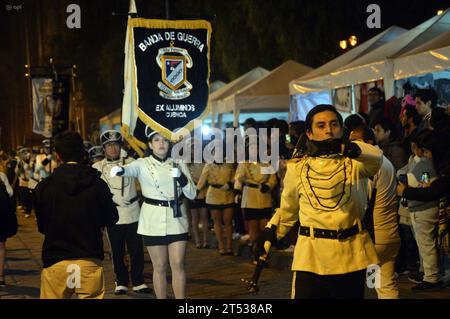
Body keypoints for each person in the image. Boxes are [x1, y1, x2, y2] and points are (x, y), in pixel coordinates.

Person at [258, 104, 383, 299]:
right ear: (309, 133)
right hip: (311, 256)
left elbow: (377, 157)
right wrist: (269, 235)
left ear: (342, 130)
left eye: (334, 124)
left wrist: (343, 146)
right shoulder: (297, 168)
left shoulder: (354, 163)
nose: (328, 130)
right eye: (321, 125)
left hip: (351, 253)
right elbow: (288, 211)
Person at [110, 130, 196, 299]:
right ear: (150, 144)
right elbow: (127, 170)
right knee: (160, 266)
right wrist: (118, 169)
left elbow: (192, 193)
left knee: (178, 263)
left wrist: (181, 178)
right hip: (153, 221)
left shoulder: (178, 163)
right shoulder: (142, 163)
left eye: (164, 140)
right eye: (156, 140)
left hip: (176, 219)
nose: (161, 143)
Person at [34, 131, 119, 299]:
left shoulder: (44, 187)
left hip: (56, 260)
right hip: (89, 258)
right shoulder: (98, 184)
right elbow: (111, 218)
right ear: (82, 153)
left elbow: (42, 226)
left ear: (57, 156)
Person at [93, 130, 150, 295]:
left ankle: (138, 281)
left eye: (116, 144)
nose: (113, 148)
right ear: (103, 148)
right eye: (109, 145)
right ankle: (121, 281)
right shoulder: (97, 167)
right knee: (117, 251)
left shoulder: (132, 162)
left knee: (137, 249)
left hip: (133, 211)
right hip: (113, 215)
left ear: (120, 146)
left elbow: (145, 182)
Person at [349, 125, 400, 299]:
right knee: (384, 285)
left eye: (357, 141)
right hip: (389, 234)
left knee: (360, 285)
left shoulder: (369, 166)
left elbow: (363, 202)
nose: (353, 146)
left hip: (373, 237)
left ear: (370, 143)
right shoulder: (386, 162)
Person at [397, 129, 449, 290]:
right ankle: (431, 274)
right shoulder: (437, 163)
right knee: (430, 245)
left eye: (427, 151)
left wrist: (405, 191)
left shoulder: (432, 164)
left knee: (426, 245)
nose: (426, 155)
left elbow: (431, 189)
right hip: (429, 208)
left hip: (424, 209)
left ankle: (431, 278)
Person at [234, 136, 277, 262]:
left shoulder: (266, 163)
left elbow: (272, 178)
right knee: (253, 227)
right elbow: (238, 178)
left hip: (264, 197)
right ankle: (255, 252)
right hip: (250, 196)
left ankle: (262, 251)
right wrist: (237, 190)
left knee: (264, 227)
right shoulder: (244, 164)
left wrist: (268, 185)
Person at [197, 157, 235, 255]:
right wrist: (196, 191)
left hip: (227, 193)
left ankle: (229, 246)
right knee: (217, 221)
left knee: (228, 221)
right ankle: (221, 246)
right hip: (213, 194)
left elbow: (236, 176)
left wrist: (231, 184)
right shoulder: (208, 165)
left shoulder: (229, 164)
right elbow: (202, 179)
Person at [187, 157, 209, 249]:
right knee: (194, 217)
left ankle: (205, 240)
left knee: (204, 216)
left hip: (203, 191)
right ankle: (197, 241)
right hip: (193, 191)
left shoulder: (205, 163)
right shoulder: (188, 165)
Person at [0, 171, 15, 288]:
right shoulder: (1, 175)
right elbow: (10, 192)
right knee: (1, 246)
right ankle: (0, 277)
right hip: (1, 215)